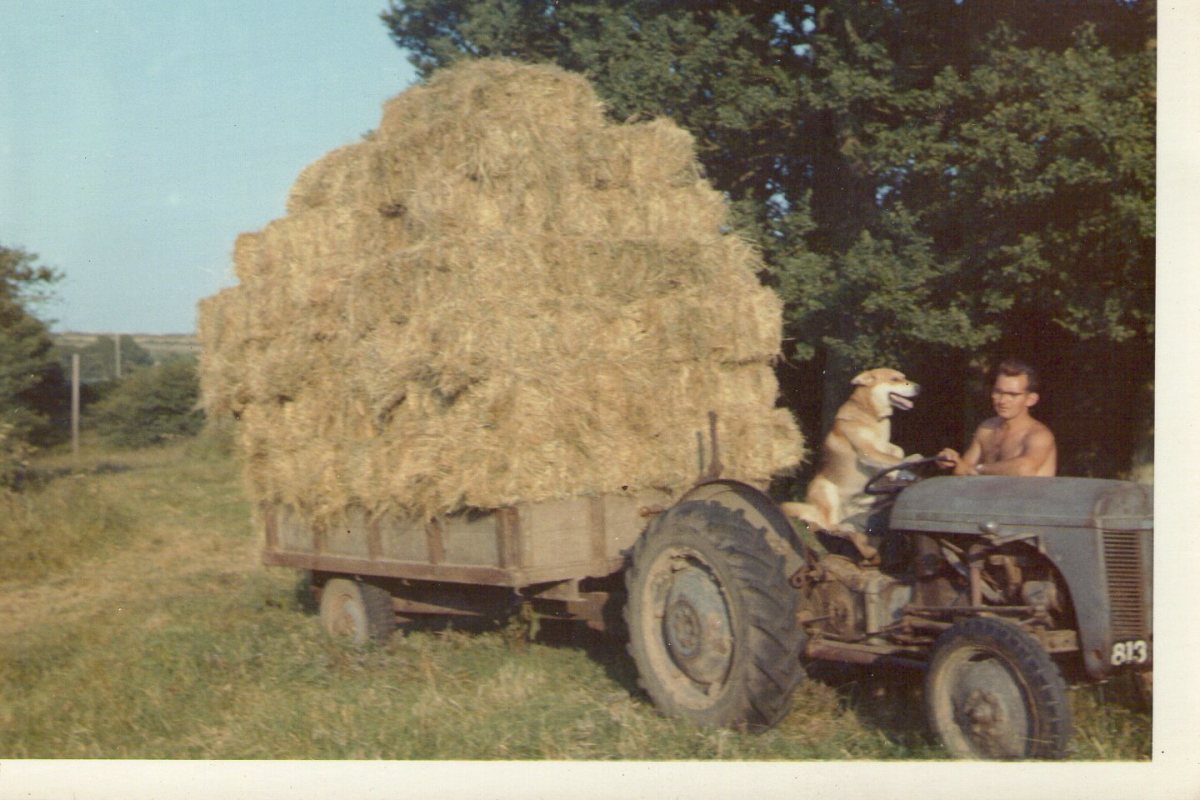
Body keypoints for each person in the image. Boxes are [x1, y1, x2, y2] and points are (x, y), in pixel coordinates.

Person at [938, 359, 1057, 477]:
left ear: (1031, 399)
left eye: (1012, 395)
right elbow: (963, 470)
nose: (1002, 401)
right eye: (998, 392)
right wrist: (953, 462)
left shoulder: (1039, 435)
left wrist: (977, 469)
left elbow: (1024, 469)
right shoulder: (986, 429)